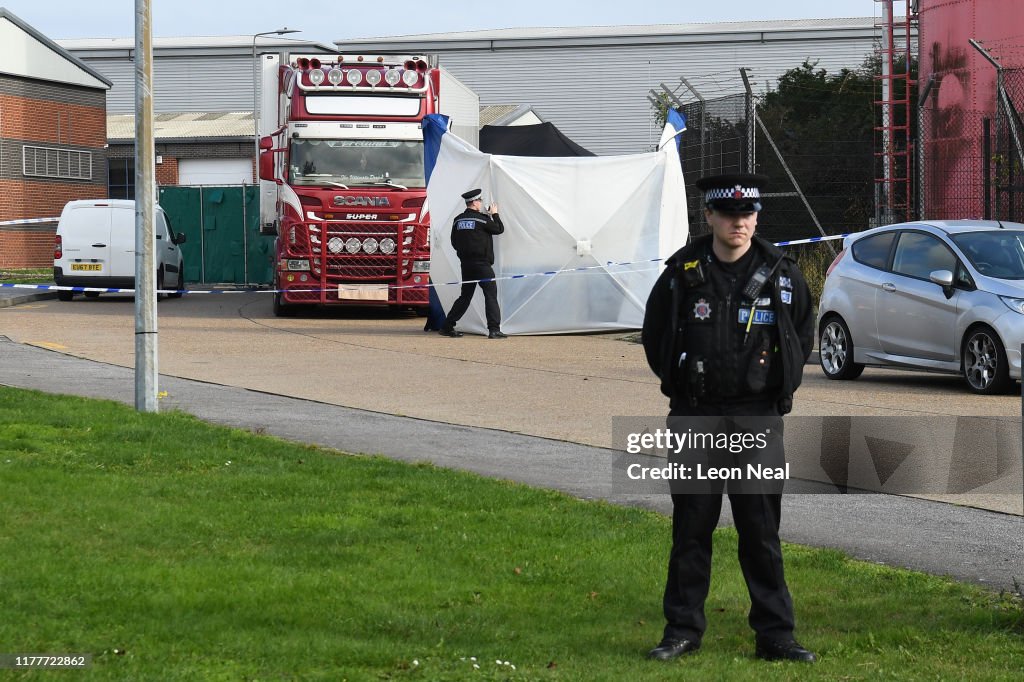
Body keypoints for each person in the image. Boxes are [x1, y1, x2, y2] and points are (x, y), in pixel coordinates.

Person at [641, 173, 816, 663]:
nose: (739, 222)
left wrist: (781, 390)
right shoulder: (681, 273)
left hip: (757, 418)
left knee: (760, 530)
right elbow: (656, 337)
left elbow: (801, 332)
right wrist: (678, 384)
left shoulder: (782, 273)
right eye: (729, 214)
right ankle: (681, 631)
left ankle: (776, 635)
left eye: (747, 214)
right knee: (691, 529)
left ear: (756, 217)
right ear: (711, 217)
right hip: (696, 416)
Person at [439, 188, 507, 339]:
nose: (481, 203)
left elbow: (454, 242)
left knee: (465, 296)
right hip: (482, 265)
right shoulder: (483, 220)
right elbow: (499, 229)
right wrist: (495, 214)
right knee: (490, 295)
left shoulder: (458, 219)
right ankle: (494, 329)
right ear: (475, 202)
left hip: (466, 264)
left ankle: (447, 326)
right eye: (480, 201)